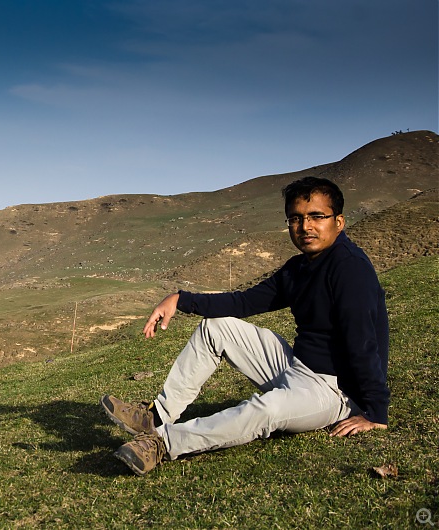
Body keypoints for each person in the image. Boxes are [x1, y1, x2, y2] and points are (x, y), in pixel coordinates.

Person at [101, 176, 390, 476]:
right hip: (297, 366)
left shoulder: (349, 267)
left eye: (317, 216)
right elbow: (243, 302)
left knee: (267, 410)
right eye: (296, 218)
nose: (305, 227)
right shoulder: (298, 269)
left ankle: (162, 443)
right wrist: (180, 299)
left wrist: (375, 411)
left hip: (334, 391)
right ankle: (157, 417)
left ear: (339, 222)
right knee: (216, 328)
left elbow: (364, 341)